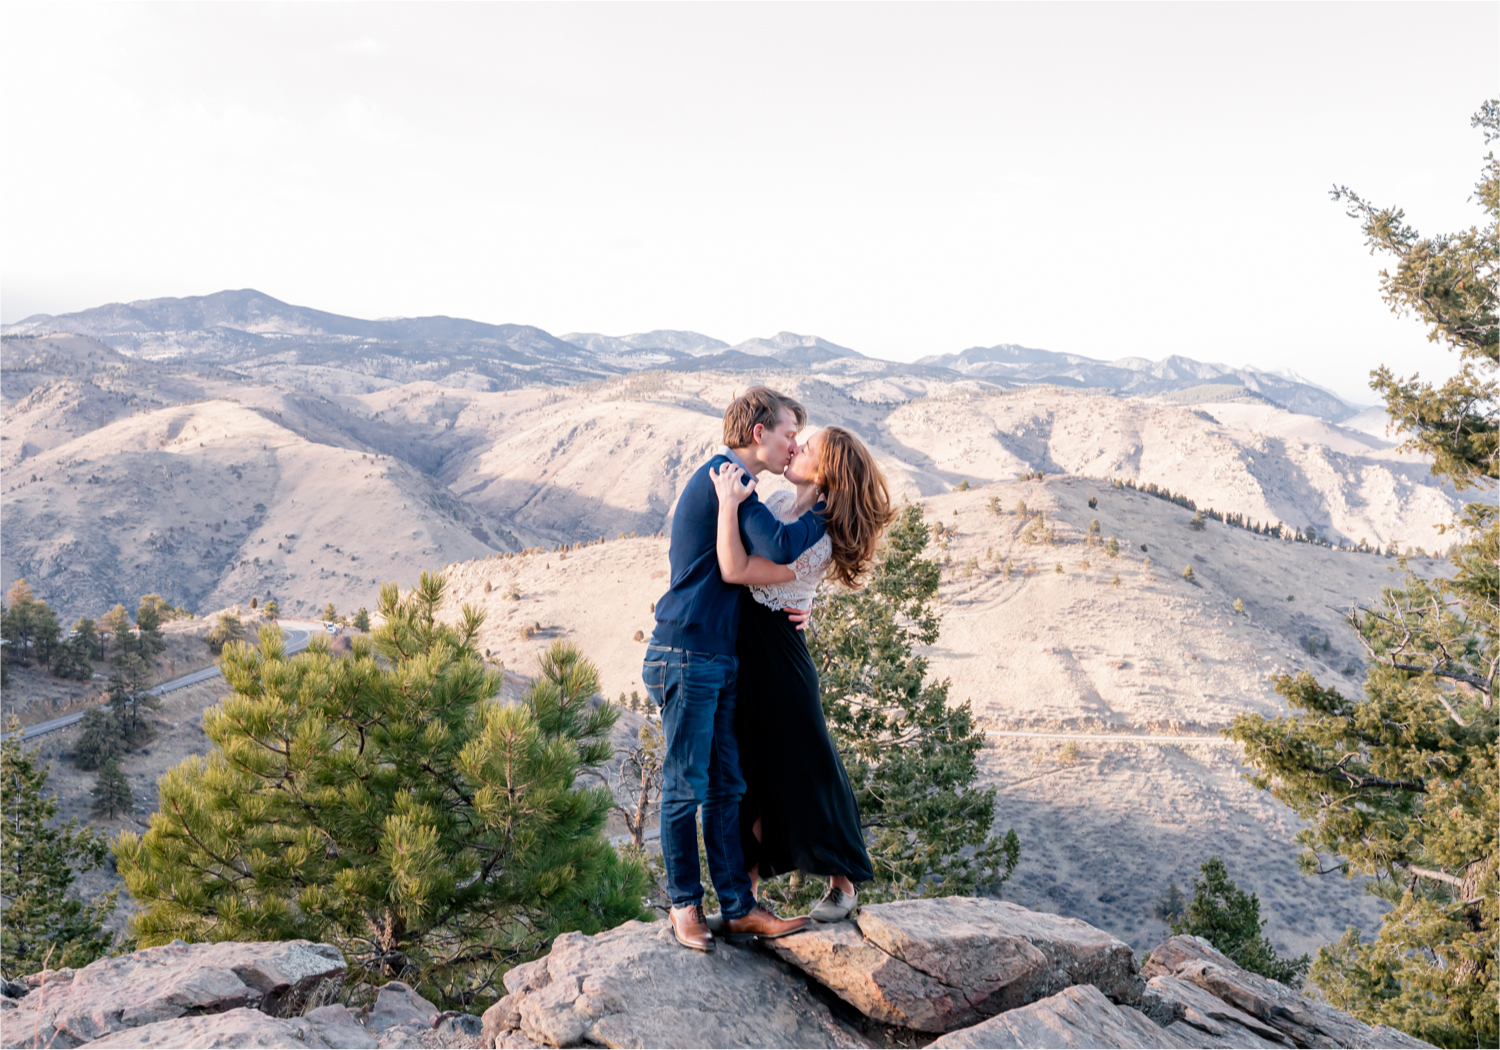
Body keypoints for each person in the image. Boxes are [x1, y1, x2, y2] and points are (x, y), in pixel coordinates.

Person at [644, 387, 825, 952]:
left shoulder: (734, 483)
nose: (794, 445)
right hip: (687, 653)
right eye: (789, 433)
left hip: (716, 655)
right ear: (758, 433)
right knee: (685, 786)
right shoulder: (731, 480)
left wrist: (807, 598)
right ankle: (684, 906)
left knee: (727, 785)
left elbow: (751, 570)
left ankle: (738, 907)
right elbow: (780, 542)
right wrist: (831, 501)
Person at [709, 425, 894, 923]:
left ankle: (844, 881)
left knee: (809, 766)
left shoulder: (817, 534)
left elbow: (743, 571)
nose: (796, 448)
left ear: (826, 468)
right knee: (748, 771)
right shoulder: (777, 503)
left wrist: (728, 503)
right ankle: (743, 895)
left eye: (807, 447)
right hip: (747, 654)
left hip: (779, 660)